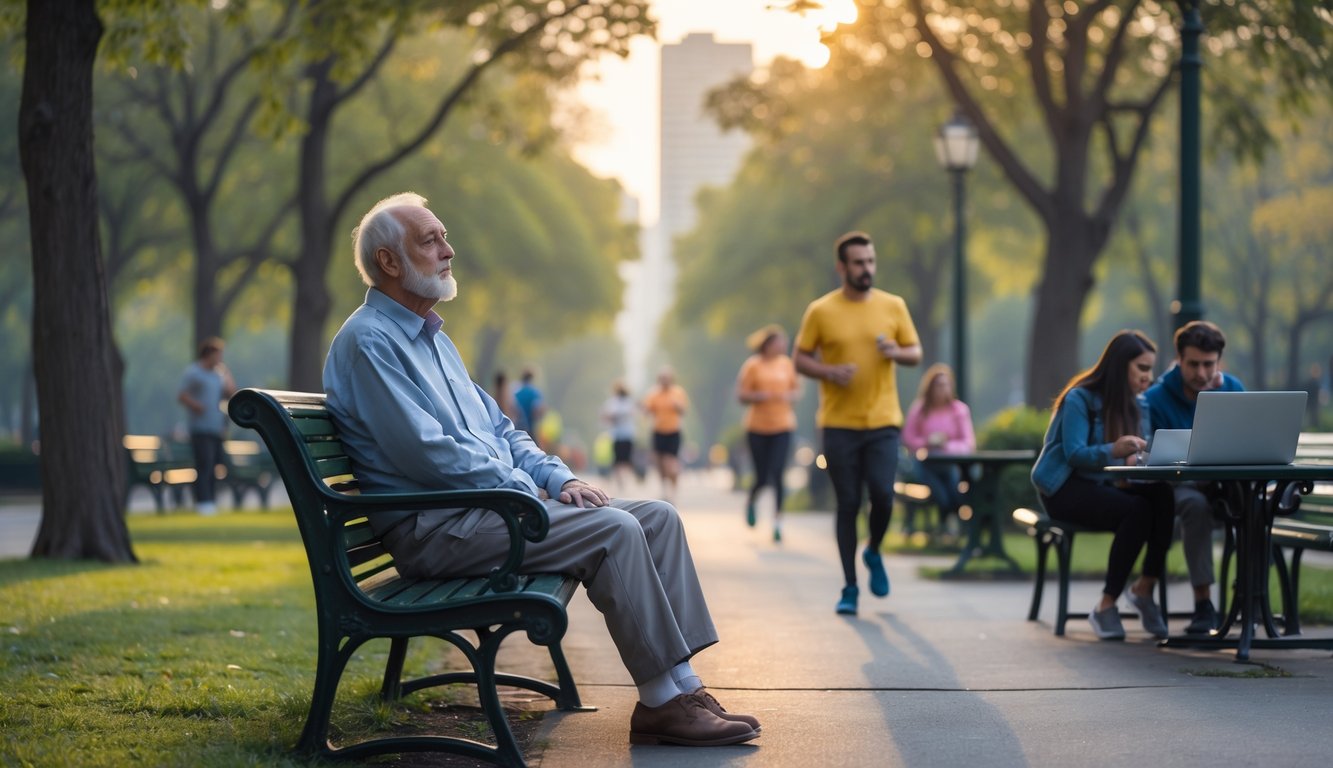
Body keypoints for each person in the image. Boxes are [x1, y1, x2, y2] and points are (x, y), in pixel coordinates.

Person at [322, 192, 758, 747]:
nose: (448, 250)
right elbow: (427, 454)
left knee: (657, 517)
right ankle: (660, 700)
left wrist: (559, 480)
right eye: (430, 241)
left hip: (484, 512)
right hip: (438, 529)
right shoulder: (369, 343)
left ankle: (683, 687)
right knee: (614, 529)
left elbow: (503, 431)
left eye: (443, 237)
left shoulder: (434, 339)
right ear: (389, 262)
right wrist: (527, 492)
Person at [794, 231, 922, 616]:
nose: (867, 269)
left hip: (883, 420)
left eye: (870, 261)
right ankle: (849, 587)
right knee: (848, 503)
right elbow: (799, 359)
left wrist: (896, 351)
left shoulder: (893, 305)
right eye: (858, 262)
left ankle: (874, 550)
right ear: (842, 267)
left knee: (882, 495)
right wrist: (829, 372)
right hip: (838, 424)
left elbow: (916, 352)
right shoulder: (821, 311)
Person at [1031, 330, 1176, 641]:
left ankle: (1144, 589)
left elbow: (1138, 456)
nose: (1148, 377)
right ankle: (1106, 605)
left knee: (1162, 495)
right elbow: (1075, 454)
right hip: (1064, 488)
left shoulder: (1141, 404)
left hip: (1107, 484)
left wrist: (1150, 458)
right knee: (1136, 510)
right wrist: (1115, 450)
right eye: (1142, 368)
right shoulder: (1079, 398)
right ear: (1119, 366)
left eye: (1150, 369)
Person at [1143, 320, 1245, 634]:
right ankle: (1204, 605)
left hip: (1226, 488)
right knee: (1194, 506)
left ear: (1219, 361)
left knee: (1255, 505)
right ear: (1179, 359)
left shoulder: (1233, 389)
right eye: (1193, 364)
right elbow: (1153, 459)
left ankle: (1251, 598)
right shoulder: (1156, 398)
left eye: (1209, 364)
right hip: (1179, 489)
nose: (1201, 373)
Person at [735, 323, 800, 542]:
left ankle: (778, 523)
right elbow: (741, 394)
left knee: (778, 473)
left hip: (783, 426)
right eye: (780, 342)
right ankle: (752, 501)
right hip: (757, 427)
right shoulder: (753, 365)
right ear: (769, 344)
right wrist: (757, 396)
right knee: (762, 476)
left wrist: (790, 396)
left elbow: (796, 390)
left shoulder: (786, 364)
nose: (783, 345)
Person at [901, 363, 975, 525]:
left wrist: (945, 446)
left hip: (951, 463)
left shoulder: (959, 410)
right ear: (930, 387)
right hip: (924, 463)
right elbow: (908, 438)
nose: (943, 389)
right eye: (939, 385)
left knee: (953, 478)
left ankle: (951, 517)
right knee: (939, 487)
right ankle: (949, 514)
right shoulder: (919, 409)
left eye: (946, 384)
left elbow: (968, 443)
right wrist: (928, 442)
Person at [177, 336, 236, 516]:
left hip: (217, 427)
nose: (220, 358)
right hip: (200, 428)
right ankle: (203, 502)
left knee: (215, 465)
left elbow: (231, 392)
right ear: (208, 354)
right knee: (204, 464)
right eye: (218, 354)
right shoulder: (193, 372)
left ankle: (210, 500)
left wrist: (226, 374)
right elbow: (182, 395)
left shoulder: (219, 374)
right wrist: (196, 406)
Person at [642, 366, 690, 505]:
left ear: (671, 379)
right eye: (662, 379)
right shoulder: (653, 394)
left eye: (667, 379)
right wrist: (644, 409)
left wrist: (677, 406)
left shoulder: (678, 392)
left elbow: (684, 410)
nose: (665, 381)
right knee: (660, 463)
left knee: (671, 464)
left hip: (673, 431)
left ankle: (673, 491)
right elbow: (647, 410)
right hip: (658, 431)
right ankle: (664, 491)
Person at [600, 379, 637, 494]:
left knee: (626, 460)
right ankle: (620, 481)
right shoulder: (612, 402)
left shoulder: (629, 402)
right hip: (617, 435)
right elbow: (605, 416)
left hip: (628, 435)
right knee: (617, 460)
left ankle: (624, 480)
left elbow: (633, 413)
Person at [513, 368, 546, 438]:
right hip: (529, 428)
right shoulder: (534, 393)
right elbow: (536, 411)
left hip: (516, 428)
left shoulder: (516, 392)